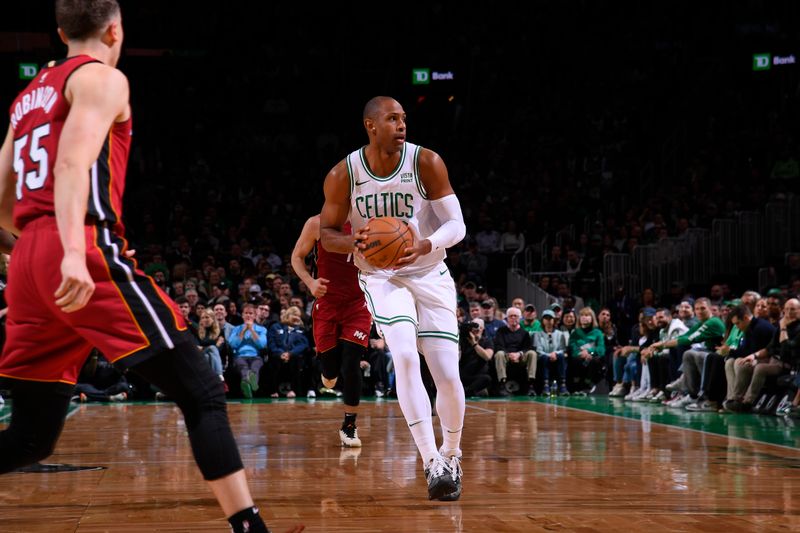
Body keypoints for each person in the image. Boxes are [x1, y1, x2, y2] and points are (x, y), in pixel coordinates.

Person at [0, 3, 301, 532]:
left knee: (30, 436)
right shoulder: (101, 77)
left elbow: (2, 200)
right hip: (81, 249)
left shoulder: (29, 96)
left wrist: (34, 250)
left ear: (60, 31)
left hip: (28, 258)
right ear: (114, 30)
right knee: (202, 392)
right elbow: (71, 163)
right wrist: (71, 249)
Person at [319, 96, 466, 501]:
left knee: (447, 374)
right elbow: (326, 233)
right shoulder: (343, 173)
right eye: (392, 119)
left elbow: (457, 224)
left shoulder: (426, 162)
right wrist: (354, 242)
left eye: (404, 119)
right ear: (370, 125)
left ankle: (452, 454)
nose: (402, 125)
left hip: (429, 270)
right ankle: (430, 462)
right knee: (402, 355)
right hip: (381, 277)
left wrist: (426, 244)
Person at [291, 214, 371, 447]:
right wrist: (310, 282)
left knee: (351, 363)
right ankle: (328, 374)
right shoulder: (317, 223)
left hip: (358, 303)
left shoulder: (371, 223)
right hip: (327, 302)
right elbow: (297, 257)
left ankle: (349, 425)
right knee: (331, 372)